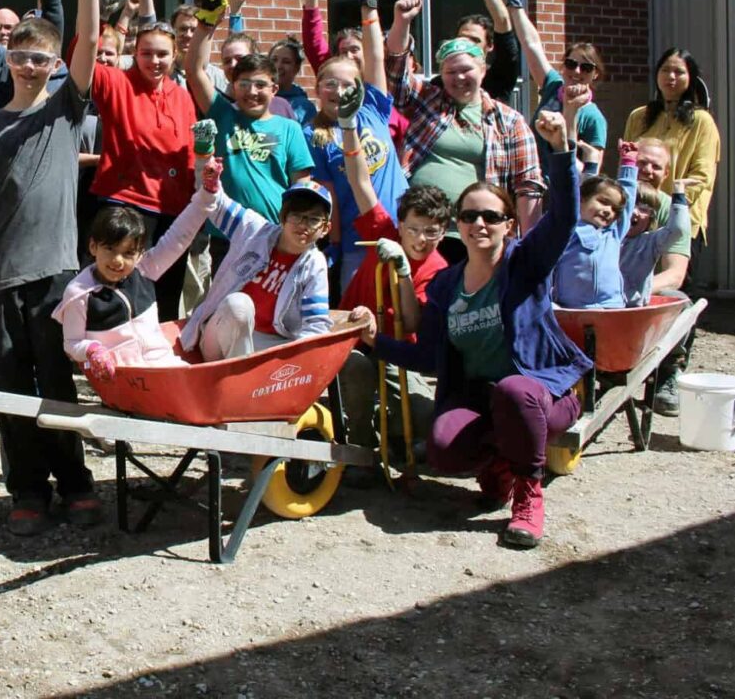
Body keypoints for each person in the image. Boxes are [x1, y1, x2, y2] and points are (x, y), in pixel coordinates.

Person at [359, 107, 591, 549]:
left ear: (509, 224)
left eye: (490, 216)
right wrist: (375, 342)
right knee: (445, 447)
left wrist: (559, 149)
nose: (478, 224)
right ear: (457, 225)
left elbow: (562, 218)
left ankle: (528, 491)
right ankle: (505, 461)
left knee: (513, 391)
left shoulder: (525, 263)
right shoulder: (447, 284)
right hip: (486, 398)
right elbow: (429, 356)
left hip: (544, 393)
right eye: (468, 216)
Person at [0, 0, 100, 537]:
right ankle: (27, 490)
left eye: (40, 58)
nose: (28, 66)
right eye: (18, 56)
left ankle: (74, 482)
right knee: (15, 387)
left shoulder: (66, 110)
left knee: (57, 383)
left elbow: (89, 39)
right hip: (1, 278)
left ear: (53, 66)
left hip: (55, 274)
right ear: (8, 60)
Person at [329, 86, 452, 453]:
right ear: (400, 223)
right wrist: (348, 126)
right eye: (413, 229)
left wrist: (402, 270)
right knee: (356, 371)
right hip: (353, 337)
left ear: (444, 231)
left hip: (396, 348)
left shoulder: (438, 268)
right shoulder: (383, 228)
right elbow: (359, 180)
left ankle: (398, 432)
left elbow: (412, 324)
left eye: (431, 232)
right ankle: (360, 450)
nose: (420, 239)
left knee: (426, 420)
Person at [386, 0, 545, 256]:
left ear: (483, 70)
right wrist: (402, 22)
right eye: (450, 72)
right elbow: (395, 72)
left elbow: (528, 186)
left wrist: (530, 250)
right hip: (418, 234)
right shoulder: (427, 100)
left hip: (474, 238)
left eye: (466, 70)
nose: (458, 78)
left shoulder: (509, 121)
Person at [83, 0, 198, 322]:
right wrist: (99, 16)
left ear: (175, 55)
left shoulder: (181, 95)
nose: (155, 61)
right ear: (135, 53)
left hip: (173, 211)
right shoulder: (116, 82)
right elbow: (82, 52)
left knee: (166, 295)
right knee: (118, 292)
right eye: (147, 53)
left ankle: (156, 366)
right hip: (126, 202)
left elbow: (190, 150)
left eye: (163, 54)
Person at [53, 140, 222, 377]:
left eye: (128, 253)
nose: (118, 261)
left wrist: (207, 194)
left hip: (163, 366)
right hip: (124, 378)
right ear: (93, 246)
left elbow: (180, 234)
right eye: (110, 249)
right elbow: (71, 343)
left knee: (207, 386)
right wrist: (92, 349)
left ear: (140, 254)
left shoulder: (144, 269)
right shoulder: (78, 292)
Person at [303, 0, 407, 290]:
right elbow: (328, 196)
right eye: (330, 83)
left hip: (404, 230)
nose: (339, 90)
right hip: (357, 243)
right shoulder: (312, 134)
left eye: (348, 84)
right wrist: (332, 245)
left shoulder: (373, 108)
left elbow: (376, 57)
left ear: (361, 88)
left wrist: (369, 8)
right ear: (318, 89)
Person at [185, 0, 314, 226]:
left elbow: (301, 185)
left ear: (274, 89)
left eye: (260, 85)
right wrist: (205, 23)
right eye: (243, 84)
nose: (252, 92)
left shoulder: (290, 128)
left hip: (274, 232)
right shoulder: (223, 115)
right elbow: (194, 71)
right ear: (233, 86)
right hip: (226, 234)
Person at [180, 175, 334, 360]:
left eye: (313, 219)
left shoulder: (314, 263)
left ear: (325, 228)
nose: (303, 225)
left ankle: (248, 377)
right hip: (219, 334)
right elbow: (215, 203)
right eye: (296, 215)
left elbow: (315, 325)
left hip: (270, 345)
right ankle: (240, 376)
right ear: (283, 217)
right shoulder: (255, 230)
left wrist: (297, 367)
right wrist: (205, 167)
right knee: (238, 304)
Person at [483, 0, 607, 175]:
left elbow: (592, 170)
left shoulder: (593, 117)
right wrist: (515, 7)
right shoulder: (553, 86)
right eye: (571, 64)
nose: (576, 71)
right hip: (530, 180)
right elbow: (531, 44)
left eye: (586, 68)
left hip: (561, 189)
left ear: (595, 74)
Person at [623, 48, 720, 251]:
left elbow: (701, 178)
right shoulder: (638, 116)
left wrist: (667, 207)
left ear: (690, 78)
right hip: (637, 221)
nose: (671, 77)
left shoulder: (701, 121)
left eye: (679, 72)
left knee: (672, 282)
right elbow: (628, 164)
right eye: (665, 70)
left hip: (680, 223)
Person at [300, 0, 407, 150]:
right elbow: (314, 42)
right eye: (343, 51)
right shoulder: (336, 77)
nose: (348, 56)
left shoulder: (379, 89)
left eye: (355, 49)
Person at [552, 136, 640, 309]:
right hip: (572, 306)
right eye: (604, 202)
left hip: (611, 306)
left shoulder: (613, 233)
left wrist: (629, 162)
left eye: (614, 209)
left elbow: (628, 198)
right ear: (582, 200)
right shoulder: (567, 230)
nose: (609, 210)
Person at [449, 0, 522, 101]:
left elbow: (502, 21)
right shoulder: (442, 83)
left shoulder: (497, 77)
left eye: (475, 40)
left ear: (489, 46)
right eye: (463, 38)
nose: (467, 44)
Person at [630, 138, 692, 295]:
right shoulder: (607, 199)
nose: (647, 170)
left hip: (644, 290)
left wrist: (633, 292)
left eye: (656, 166)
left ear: (665, 174)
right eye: (642, 162)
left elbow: (675, 275)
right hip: (599, 288)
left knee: (674, 296)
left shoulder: (674, 211)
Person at [622, 179, 692, 307]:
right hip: (601, 303)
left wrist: (678, 194)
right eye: (628, 205)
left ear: (651, 218)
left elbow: (677, 230)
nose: (634, 212)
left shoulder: (650, 241)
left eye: (643, 209)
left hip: (634, 307)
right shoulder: (606, 237)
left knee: (680, 299)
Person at [268, 37, 315, 125]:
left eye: (286, 62)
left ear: (297, 68)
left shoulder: (304, 107)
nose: (278, 66)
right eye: (274, 60)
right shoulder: (258, 97)